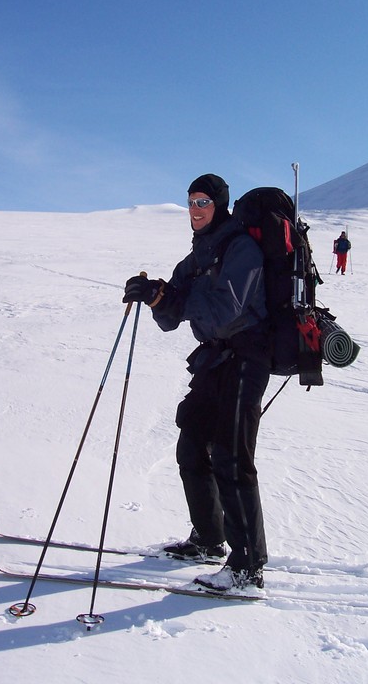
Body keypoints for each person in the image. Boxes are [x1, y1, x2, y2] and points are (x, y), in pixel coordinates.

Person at [123, 174, 271, 592]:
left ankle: (247, 568)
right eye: (190, 202)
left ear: (220, 205)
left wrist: (172, 298)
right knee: (192, 444)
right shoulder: (197, 255)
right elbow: (171, 317)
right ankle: (209, 539)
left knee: (232, 457)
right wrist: (153, 295)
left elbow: (226, 309)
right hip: (214, 359)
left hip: (247, 356)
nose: (195, 209)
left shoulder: (241, 247)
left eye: (204, 201)